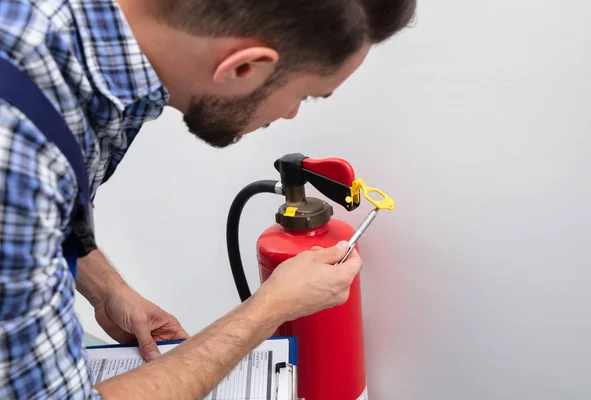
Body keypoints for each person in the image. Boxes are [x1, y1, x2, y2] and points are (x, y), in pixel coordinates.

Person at [0, 0, 416, 398]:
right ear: (244, 67)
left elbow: (40, 222)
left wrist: (108, 289)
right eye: (305, 96)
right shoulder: (18, 155)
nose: (291, 114)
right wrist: (271, 307)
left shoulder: (72, 49)